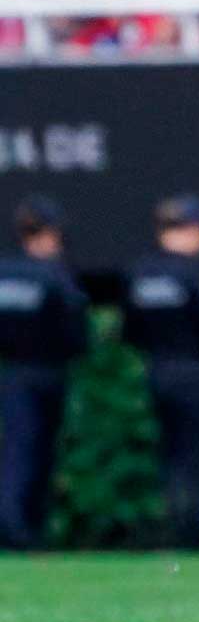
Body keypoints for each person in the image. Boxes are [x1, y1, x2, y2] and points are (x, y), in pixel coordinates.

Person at [122, 195, 199, 550]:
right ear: (195, 229)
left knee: (170, 455)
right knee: (196, 457)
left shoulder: (141, 273)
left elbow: (131, 331)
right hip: (196, 372)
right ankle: (192, 533)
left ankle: (172, 527)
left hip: (158, 372)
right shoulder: (198, 273)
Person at [0, 196, 89, 550]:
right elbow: (76, 332)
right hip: (47, 374)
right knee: (35, 452)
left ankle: (15, 523)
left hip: (10, 374)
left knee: (17, 447)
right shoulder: (56, 276)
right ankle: (21, 527)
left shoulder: (4, 274)